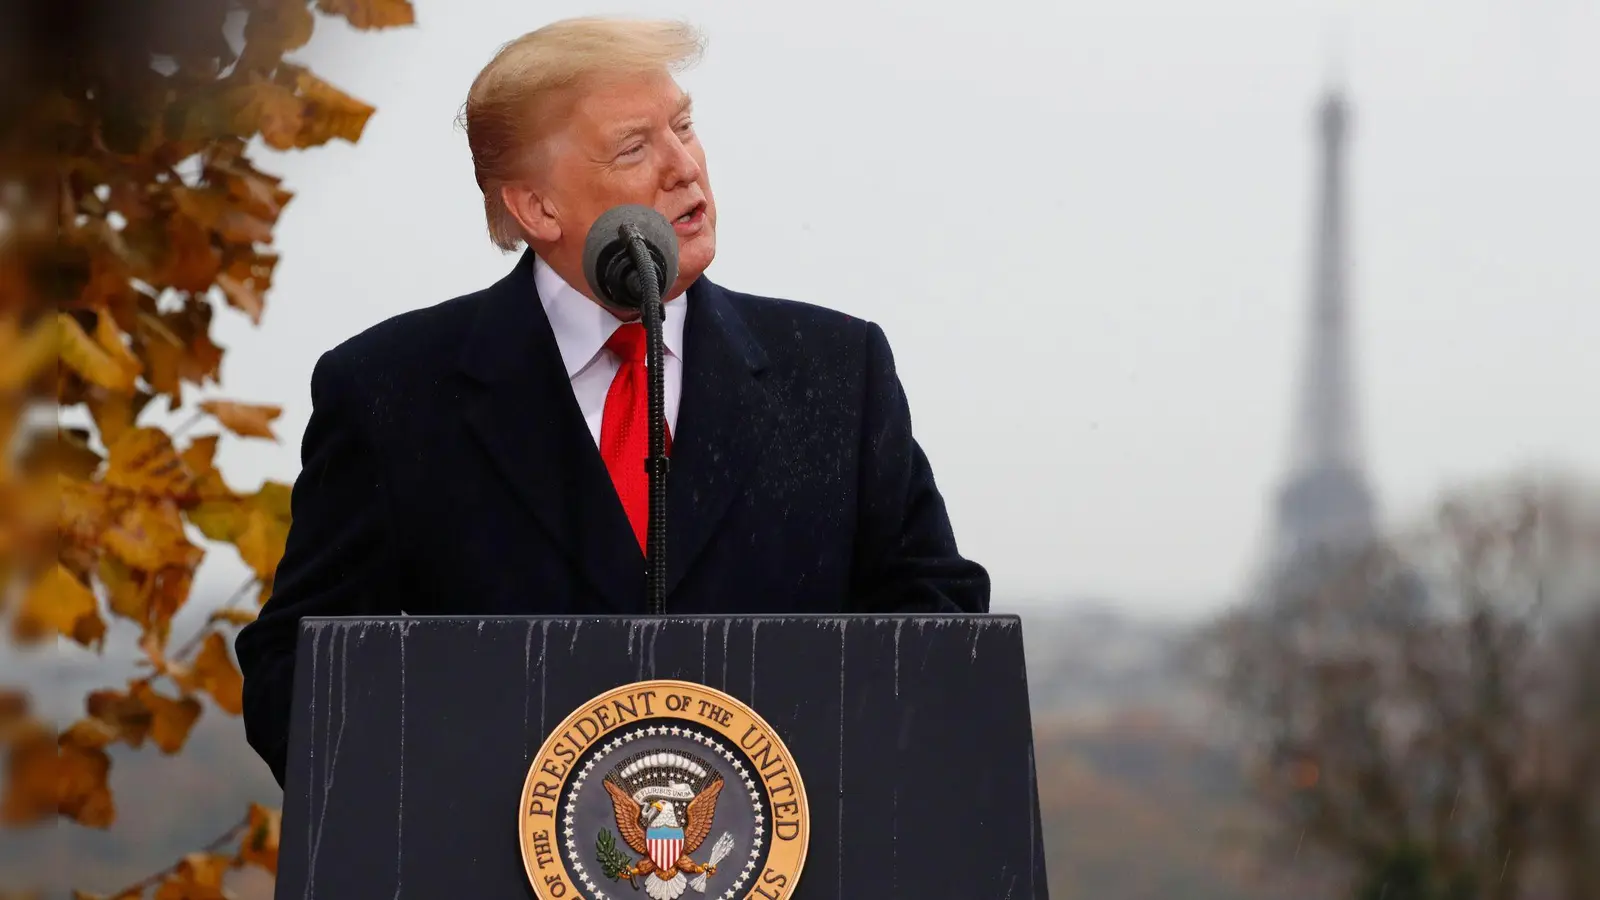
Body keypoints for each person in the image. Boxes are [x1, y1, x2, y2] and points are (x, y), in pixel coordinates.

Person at [234, 16, 988, 788]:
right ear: (536, 208)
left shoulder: (837, 370)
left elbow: (938, 626)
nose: (684, 166)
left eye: (684, 127)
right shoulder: (391, 392)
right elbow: (296, 669)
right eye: (635, 147)